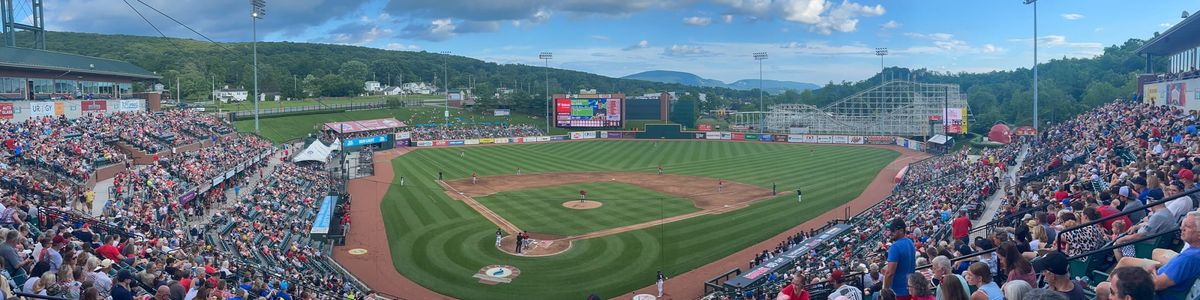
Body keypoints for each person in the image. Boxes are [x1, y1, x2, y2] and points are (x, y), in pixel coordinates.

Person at [882, 218, 915, 300]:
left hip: (898, 293)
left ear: (901, 230)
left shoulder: (895, 247)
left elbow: (890, 273)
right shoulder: (910, 242)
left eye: (893, 230)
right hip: (911, 289)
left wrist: (885, 291)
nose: (891, 233)